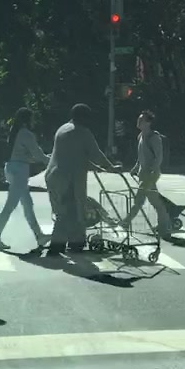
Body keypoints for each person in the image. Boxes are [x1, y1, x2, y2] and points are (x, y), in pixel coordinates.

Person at [44, 103, 116, 255]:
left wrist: (94, 166)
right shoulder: (82, 132)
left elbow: (75, 154)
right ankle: (58, 246)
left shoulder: (62, 129)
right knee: (70, 212)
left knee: (65, 211)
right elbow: (96, 154)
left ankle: (75, 242)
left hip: (53, 176)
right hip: (68, 179)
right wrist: (110, 167)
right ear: (84, 118)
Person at [0, 107, 50, 252]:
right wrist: (52, 160)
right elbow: (38, 154)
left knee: (27, 204)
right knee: (11, 205)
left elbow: (27, 154)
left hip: (12, 168)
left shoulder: (14, 131)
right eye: (32, 118)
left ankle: (39, 236)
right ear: (27, 120)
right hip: (20, 171)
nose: (34, 121)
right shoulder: (26, 134)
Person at [121, 110, 172, 237]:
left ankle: (125, 222)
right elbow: (141, 156)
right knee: (155, 202)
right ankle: (165, 226)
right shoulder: (140, 136)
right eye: (139, 119)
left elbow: (158, 157)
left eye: (141, 120)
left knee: (139, 200)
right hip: (142, 173)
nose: (138, 122)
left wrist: (153, 170)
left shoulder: (153, 137)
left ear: (148, 123)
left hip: (150, 174)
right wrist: (135, 168)